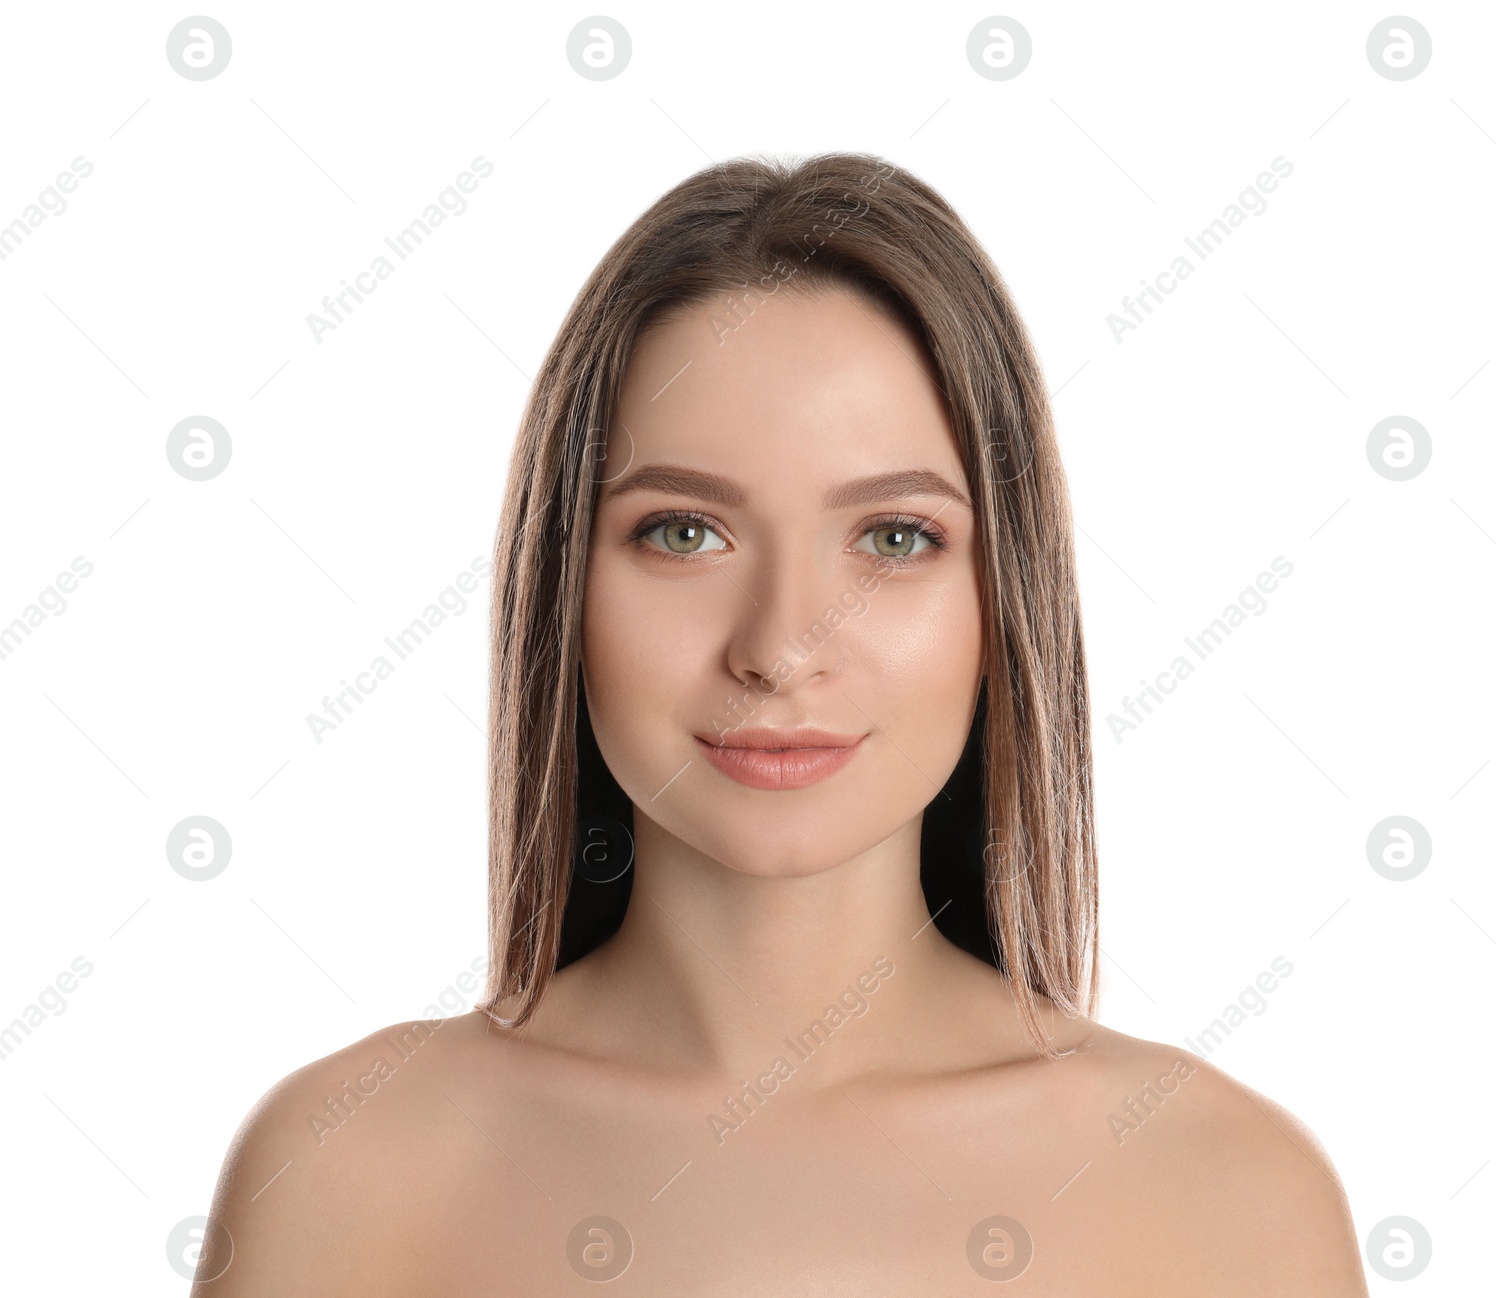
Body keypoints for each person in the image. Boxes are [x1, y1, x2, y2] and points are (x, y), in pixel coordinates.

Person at [193, 152, 1368, 1294]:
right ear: (560, 583)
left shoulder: (1228, 1194)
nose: (781, 646)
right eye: (683, 531)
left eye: (895, 537)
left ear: (1002, 598)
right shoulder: (344, 1169)